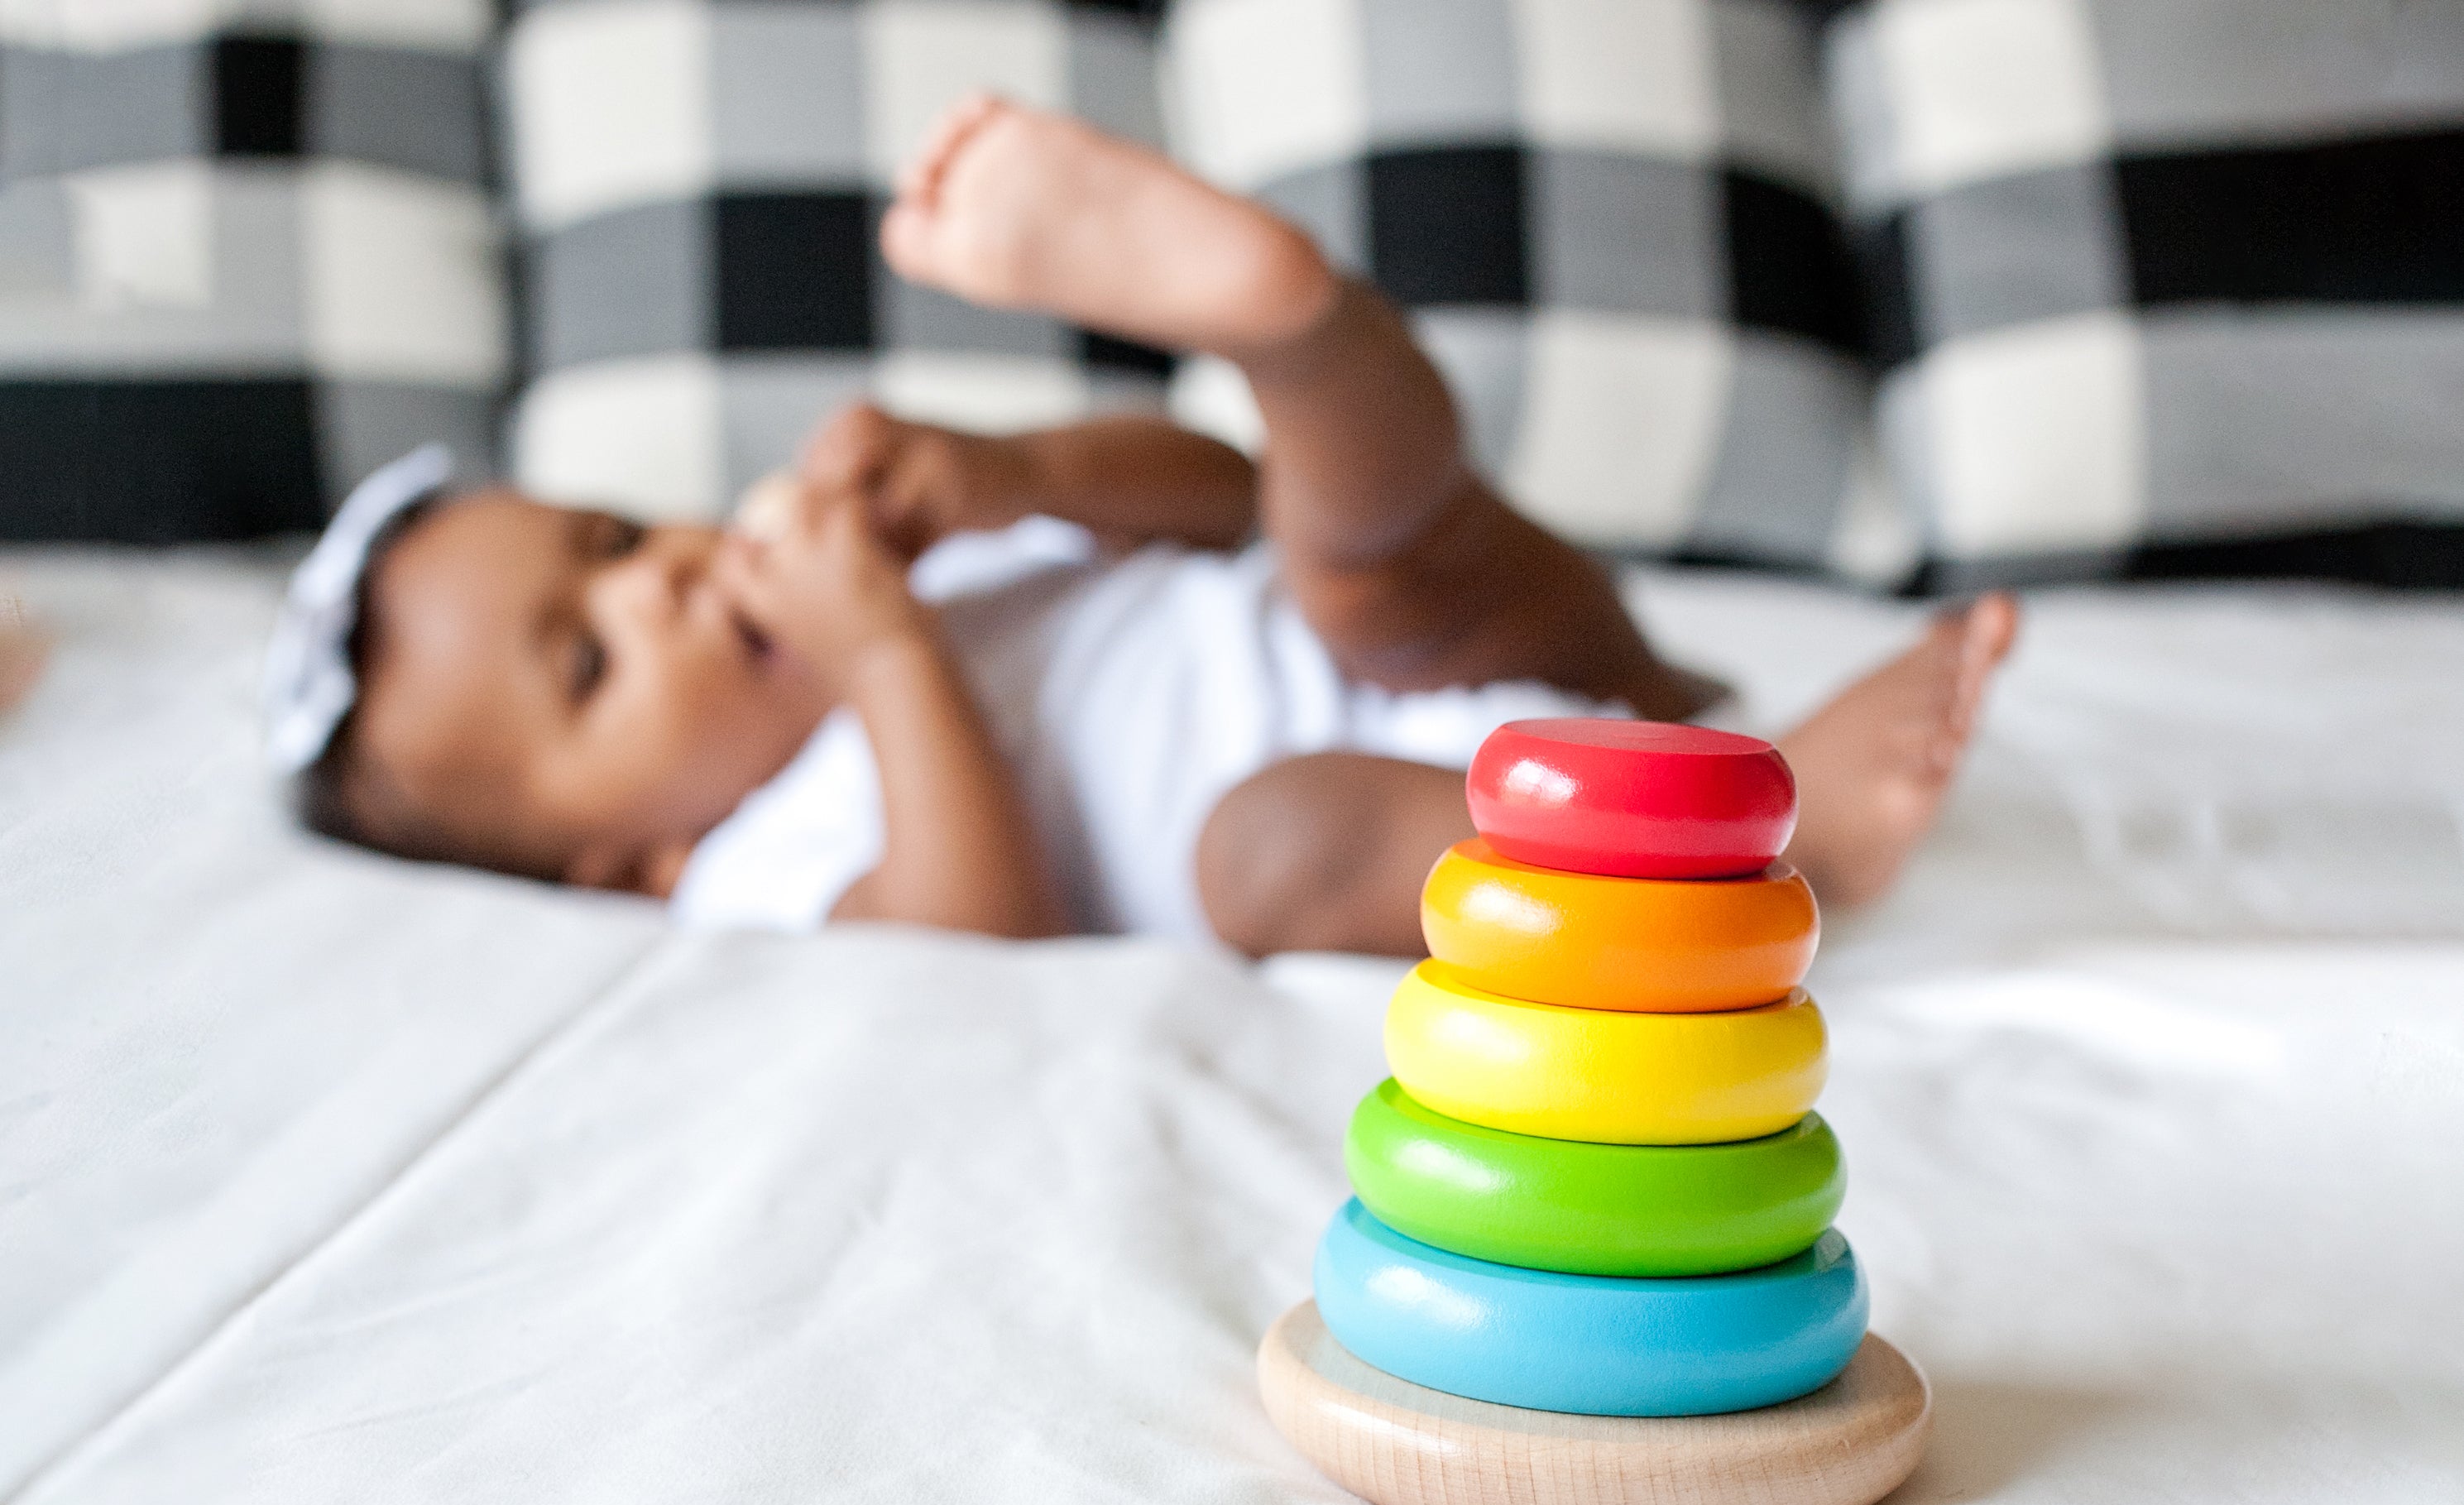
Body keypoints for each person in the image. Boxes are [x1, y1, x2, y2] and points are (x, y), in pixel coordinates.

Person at [265, 96, 2018, 956]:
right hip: (1417, 817)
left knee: (1341, 543)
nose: (652, 581)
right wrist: (887, 657)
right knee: (1271, 843)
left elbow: (1208, 513)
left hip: (1480, 636)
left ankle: (1287, 328)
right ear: (613, 864)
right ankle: (1746, 843)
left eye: (603, 536)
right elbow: (979, 943)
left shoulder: (911, 559)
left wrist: (1012, 477)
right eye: (586, 661)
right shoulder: (755, 874)